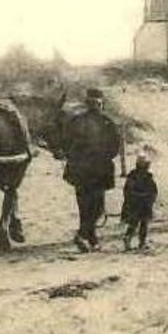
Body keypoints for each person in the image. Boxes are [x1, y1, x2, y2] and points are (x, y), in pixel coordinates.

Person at [54, 87, 123, 251]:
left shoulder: (76, 121)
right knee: (96, 206)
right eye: (96, 103)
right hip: (97, 169)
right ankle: (83, 235)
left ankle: (91, 238)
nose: (96, 106)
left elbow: (65, 143)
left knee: (84, 205)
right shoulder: (107, 122)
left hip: (80, 169)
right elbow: (115, 146)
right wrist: (104, 157)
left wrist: (72, 156)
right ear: (99, 104)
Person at [121, 151, 159, 251]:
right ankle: (141, 242)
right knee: (143, 223)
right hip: (141, 204)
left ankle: (129, 238)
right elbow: (153, 191)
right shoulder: (147, 176)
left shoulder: (132, 175)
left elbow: (127, 191)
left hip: (135, 204)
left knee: (134, 223)